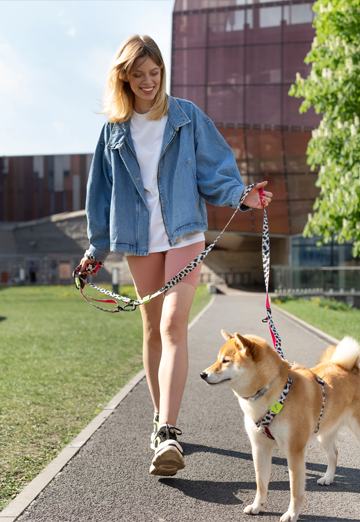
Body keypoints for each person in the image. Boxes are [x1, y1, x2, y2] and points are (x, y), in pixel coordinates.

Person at [78, 35, 273, 477]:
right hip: (137, 239)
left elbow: (217, 170)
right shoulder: (113, 131)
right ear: (124, 77)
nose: (149, 82)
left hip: (184, 230)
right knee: (151, 330)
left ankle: (168, 430)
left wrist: (242, 196)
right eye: (140, 75)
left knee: (172, 324)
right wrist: (96, 248)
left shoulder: (186, 117)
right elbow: (101, 194)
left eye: (155, 73)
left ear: (163, 71)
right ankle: (159, 418)